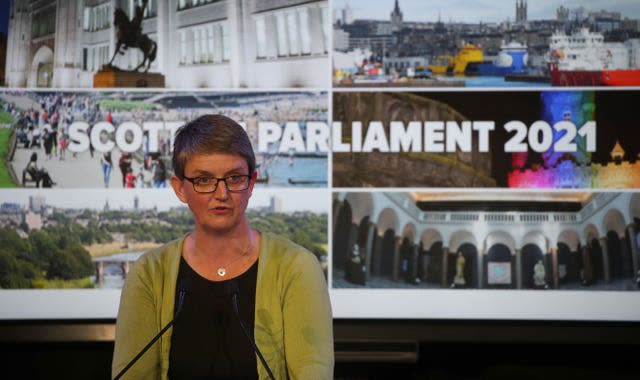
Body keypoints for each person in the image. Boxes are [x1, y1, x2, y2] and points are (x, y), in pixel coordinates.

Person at [112, 114, 333, 379]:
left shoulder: (296, 267)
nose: (221, 193)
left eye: (234, 178)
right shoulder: (149, 273)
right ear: (180, 188)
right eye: (203, 180)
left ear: (251, 183)